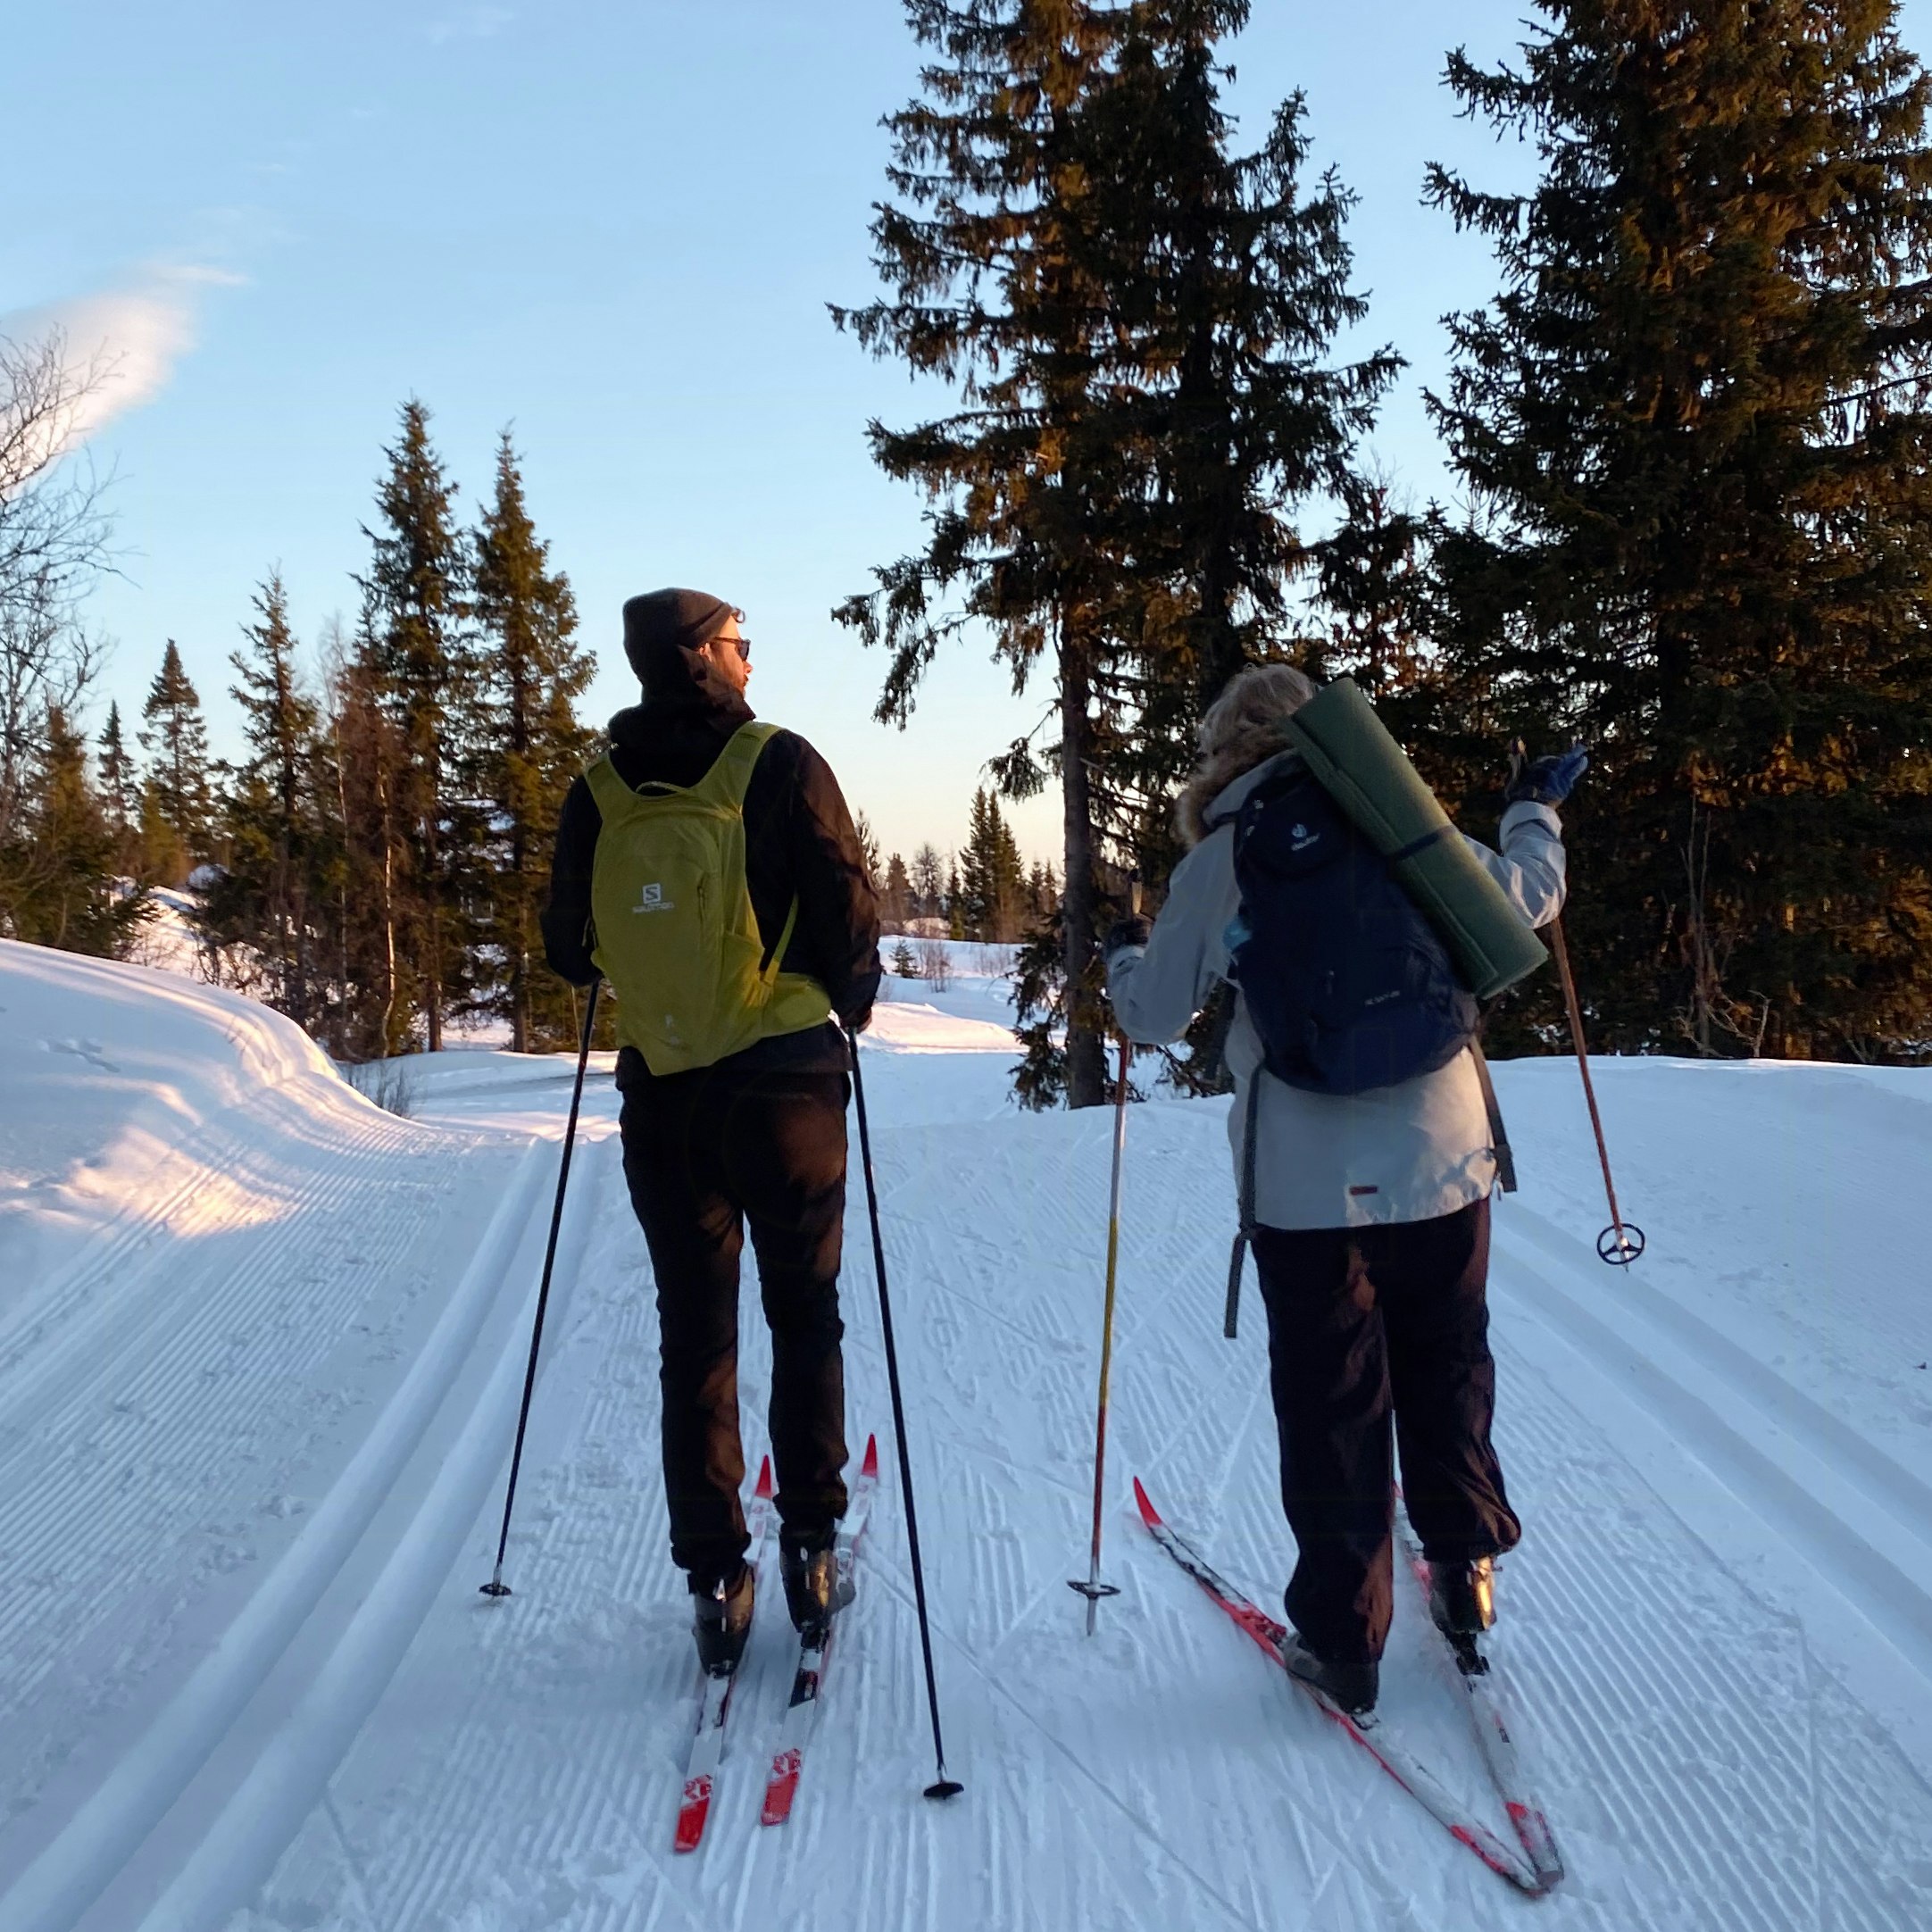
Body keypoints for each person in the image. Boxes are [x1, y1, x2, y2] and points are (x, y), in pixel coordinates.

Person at [1104, 664, 1577, 1714]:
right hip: (1445, 1154)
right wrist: (1534, 809)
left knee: (1331, 1398)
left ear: (1226, 746)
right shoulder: (1393, 813)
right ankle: (1465, 1574)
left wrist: (1123, 960)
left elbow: (1150, 1016)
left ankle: (1343, 1639)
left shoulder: (1228, 847)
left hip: (1304, 1184)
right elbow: (1523, 899)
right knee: (1448, 1356)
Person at [543, 587, 880, 1674]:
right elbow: (844, 905)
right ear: (701, 656)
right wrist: (850, 1001)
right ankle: (813, 1550)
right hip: (784, 1086)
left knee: (695, 1333)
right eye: (740, 642)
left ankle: (715, 1576)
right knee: (805, 1314)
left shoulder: (597, 788)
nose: (749, 659)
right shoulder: (778, 761)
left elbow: (566, 946)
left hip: (667, 1097)